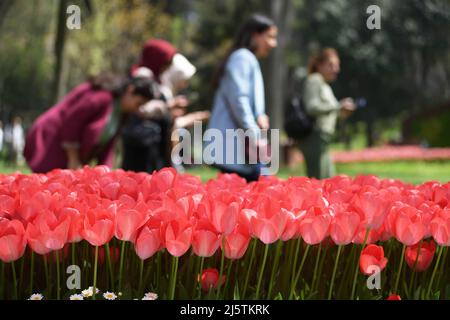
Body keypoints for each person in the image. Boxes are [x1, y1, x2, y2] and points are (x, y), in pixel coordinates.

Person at [23, 73, 155, 173]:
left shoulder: (121, 114)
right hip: (51, 138)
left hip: (65, 149)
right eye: (138, 103)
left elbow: (107, 145)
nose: (138, 109)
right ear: (130, 90)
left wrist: (104, 172)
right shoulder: (103, 97)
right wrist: (73, 158)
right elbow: (72, 120)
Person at [206, 14, 277, 182]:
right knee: (259, 193)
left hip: (239, 147)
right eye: (270, 37)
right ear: (255, 35)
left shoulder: (244, 57)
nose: (273, 44)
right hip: (236, 146)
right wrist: (254, 135)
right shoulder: (242, 58)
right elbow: (239, 99)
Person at [121, 39, 182, 173]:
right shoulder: (142, 76)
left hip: (153, 143)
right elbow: (141, 108)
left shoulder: (157, 78)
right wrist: (168, 107)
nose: (166, 68)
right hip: (141, 145)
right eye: (165, 64)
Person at [299, 48, 355, 179]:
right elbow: (311, 107)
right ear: (319, 65)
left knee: (328, 179)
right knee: (318, 180)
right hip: (315, 137)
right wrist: (338, 106)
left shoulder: (325, 85)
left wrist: (342, 112)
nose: (336, 69)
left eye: (337, 65)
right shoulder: (315, 80)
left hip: (324, 140)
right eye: (331, 65)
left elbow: (331, 111)